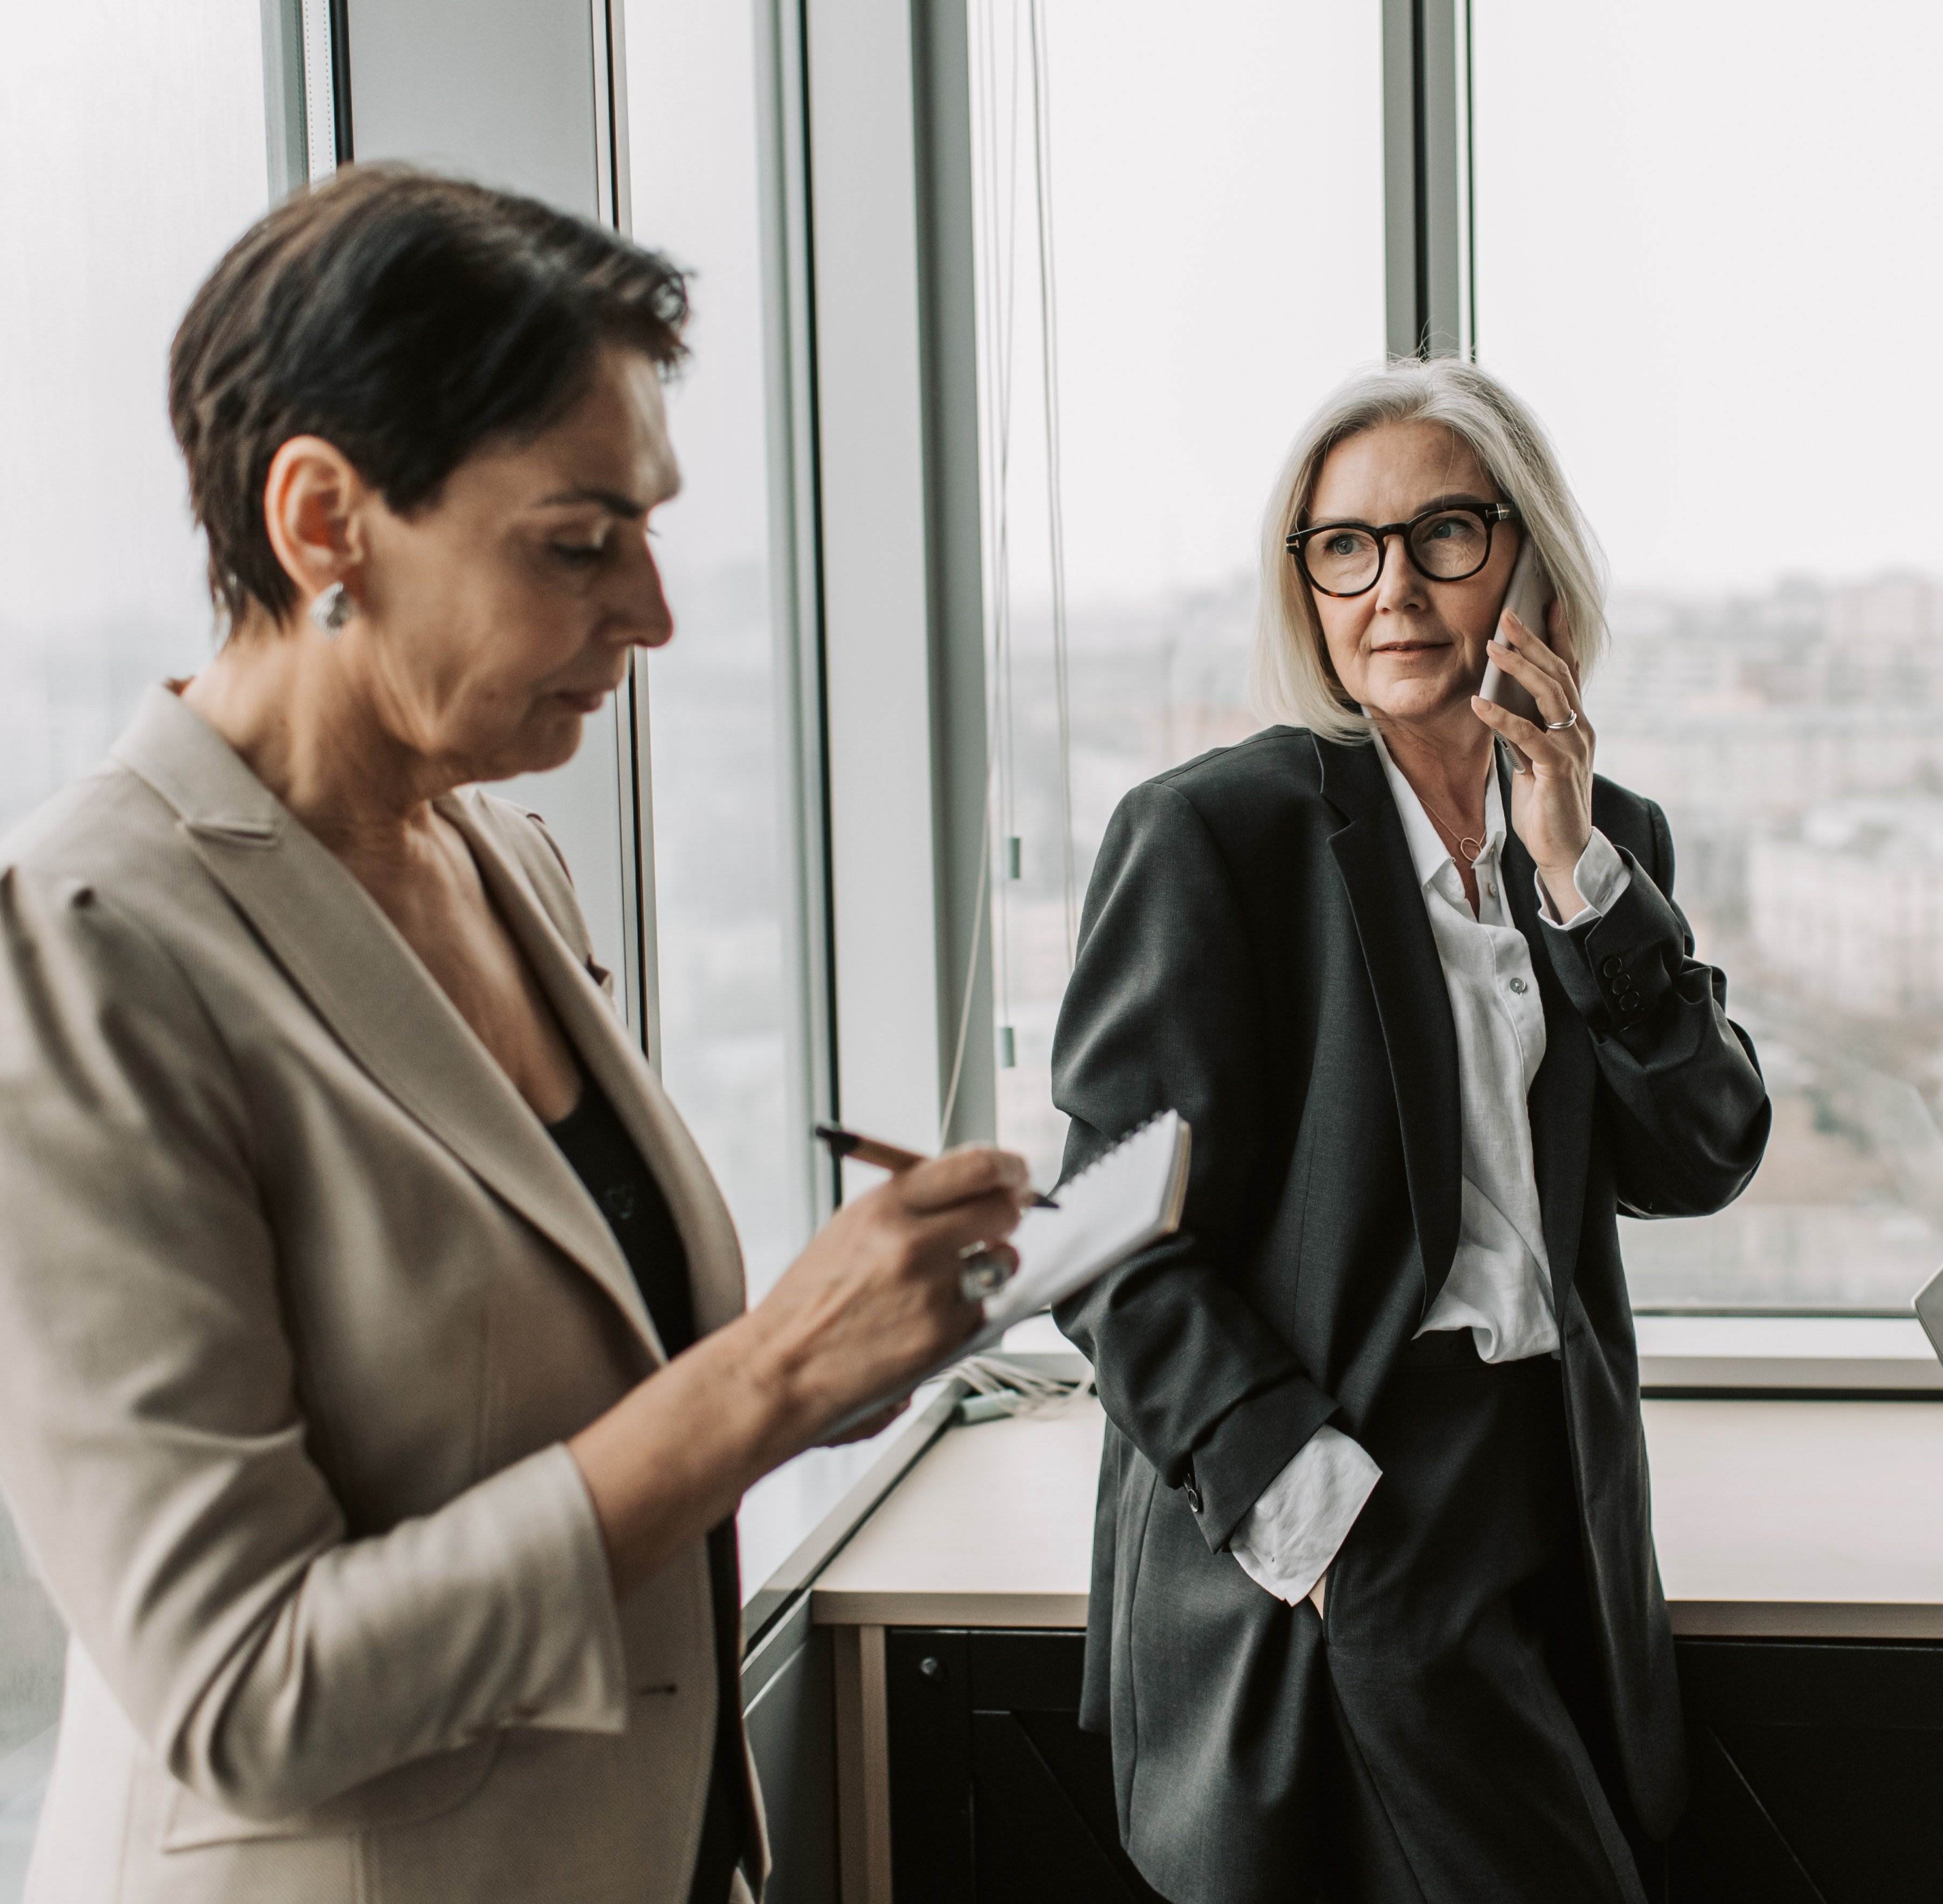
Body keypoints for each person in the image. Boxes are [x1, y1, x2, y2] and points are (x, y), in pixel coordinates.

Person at [0, 165, 1032, 1903]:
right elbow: (248, 1690)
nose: (652, 611)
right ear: (323, 519)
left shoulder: (505, 856)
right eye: (580, 542)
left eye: (647, 528)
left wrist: (841, 1344)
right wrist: (766, 1372)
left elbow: (563, 1412)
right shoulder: (85, 948)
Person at [1048, 357, 1771, 1903]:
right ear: (1302, 580)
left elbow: (1699, 1152)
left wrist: (1571, 866)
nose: (1393, 587)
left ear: (1528, 558)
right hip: (1352, 1488)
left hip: (1550, 1489)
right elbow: (1103, 1241)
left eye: (1444, 533)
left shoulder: (1600, 831)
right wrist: (1316, 1517)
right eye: (1344, 545)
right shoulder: (1216, 834)